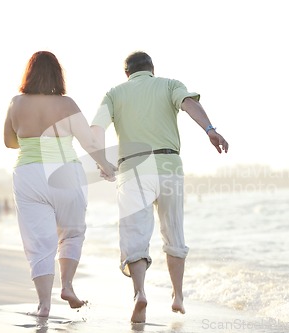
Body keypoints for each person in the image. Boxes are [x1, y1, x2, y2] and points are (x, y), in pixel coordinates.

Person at [90, 51, 229, 323]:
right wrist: (210, 129)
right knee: (174, 233)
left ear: (127, 73)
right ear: (152, 69)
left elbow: (97, 128)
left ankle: (140, 293)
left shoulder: (115, 93)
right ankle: (177, 296)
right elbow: (189, 104)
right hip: (169, 167)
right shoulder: (169, 85)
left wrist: (101, 161)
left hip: (132, 170)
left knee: (135, 236)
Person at [4, 51, 116, 317]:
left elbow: (9, 142)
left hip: (29, 174)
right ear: (58, 74)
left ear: (28, 74)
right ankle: (67, 286)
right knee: (72, 232)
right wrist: (105, 166)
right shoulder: (66, 104)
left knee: (39, 242)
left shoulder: (16, 103)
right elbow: (88, 141)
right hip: (65, 174)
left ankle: (44, 305)